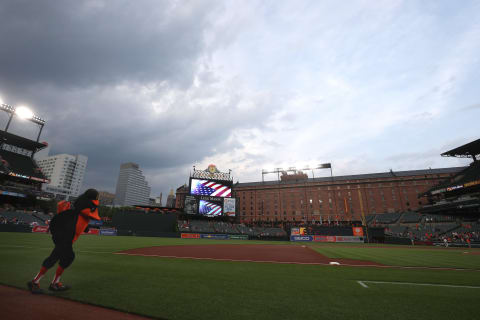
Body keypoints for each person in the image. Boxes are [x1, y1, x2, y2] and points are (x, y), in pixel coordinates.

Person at [27, 189, 101, 294]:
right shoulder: (78, 212)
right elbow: (73, 222)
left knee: (62, 257)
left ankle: (51, 283)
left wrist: (86, 227)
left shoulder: (77, 214)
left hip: (65, 239)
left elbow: (81, 220)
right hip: (64, 238)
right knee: (60, 257)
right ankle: (37, 282)